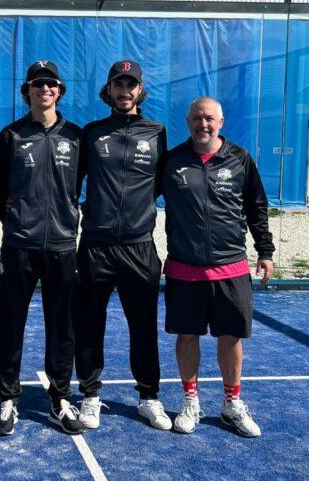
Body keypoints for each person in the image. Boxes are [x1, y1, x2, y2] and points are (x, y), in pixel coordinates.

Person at [160, 97, 274, 438]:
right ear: (188, 121)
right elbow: (136, 194)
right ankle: (190, 400)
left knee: (230, 337)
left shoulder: (240, 159)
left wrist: (265, 251)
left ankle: (231, 404)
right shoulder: (171, 161)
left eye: (209, 118)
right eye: (196, 118)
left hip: (231, 268)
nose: (203, 124)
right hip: (184, 268)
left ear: (221, 122)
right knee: (187, 336)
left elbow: (257, 207)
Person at [0, 60, 86, 436]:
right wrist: (14, 220)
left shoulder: (76, 136)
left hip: (63, 245)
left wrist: (71, 215)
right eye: (36, 84)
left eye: (50, 84)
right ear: (26, 90)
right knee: (12, 323)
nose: (44, 89)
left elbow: (84, 181)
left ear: (59, 90)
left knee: (62, 325)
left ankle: (60, 398)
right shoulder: (11, 135)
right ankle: (8, 399)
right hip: (20, 246)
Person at [74, 60, 170, 430]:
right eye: (119, 84)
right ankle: (91, 395)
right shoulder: (92, 132)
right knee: (90, 323)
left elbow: (160, 183)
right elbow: (74, 181)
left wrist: (135, 212)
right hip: (96, 245)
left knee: (143, 325)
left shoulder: (156, 132)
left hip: (139, 246)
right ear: (109, 90)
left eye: (132, 84)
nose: (125, 90)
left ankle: (149, 396)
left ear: (141, 91)